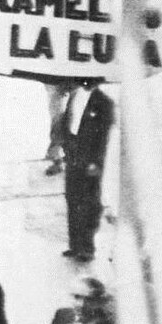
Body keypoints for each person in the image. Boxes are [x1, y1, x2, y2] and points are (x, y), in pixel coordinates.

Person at [61, 79, 113, 262]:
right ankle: (74, 245)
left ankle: (87, 247)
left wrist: (95, 163)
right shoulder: (74, 97)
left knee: (89, 203)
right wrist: (66, 147)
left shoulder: (104, 103)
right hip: (73, 155)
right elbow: (66, 123)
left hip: (90, 160)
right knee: (72, 198)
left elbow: (103, 138)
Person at [47, 277, 114, 324]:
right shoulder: (62, 316)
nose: (80, 304)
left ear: (97, 302)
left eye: (88, 299)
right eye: (77, 297)